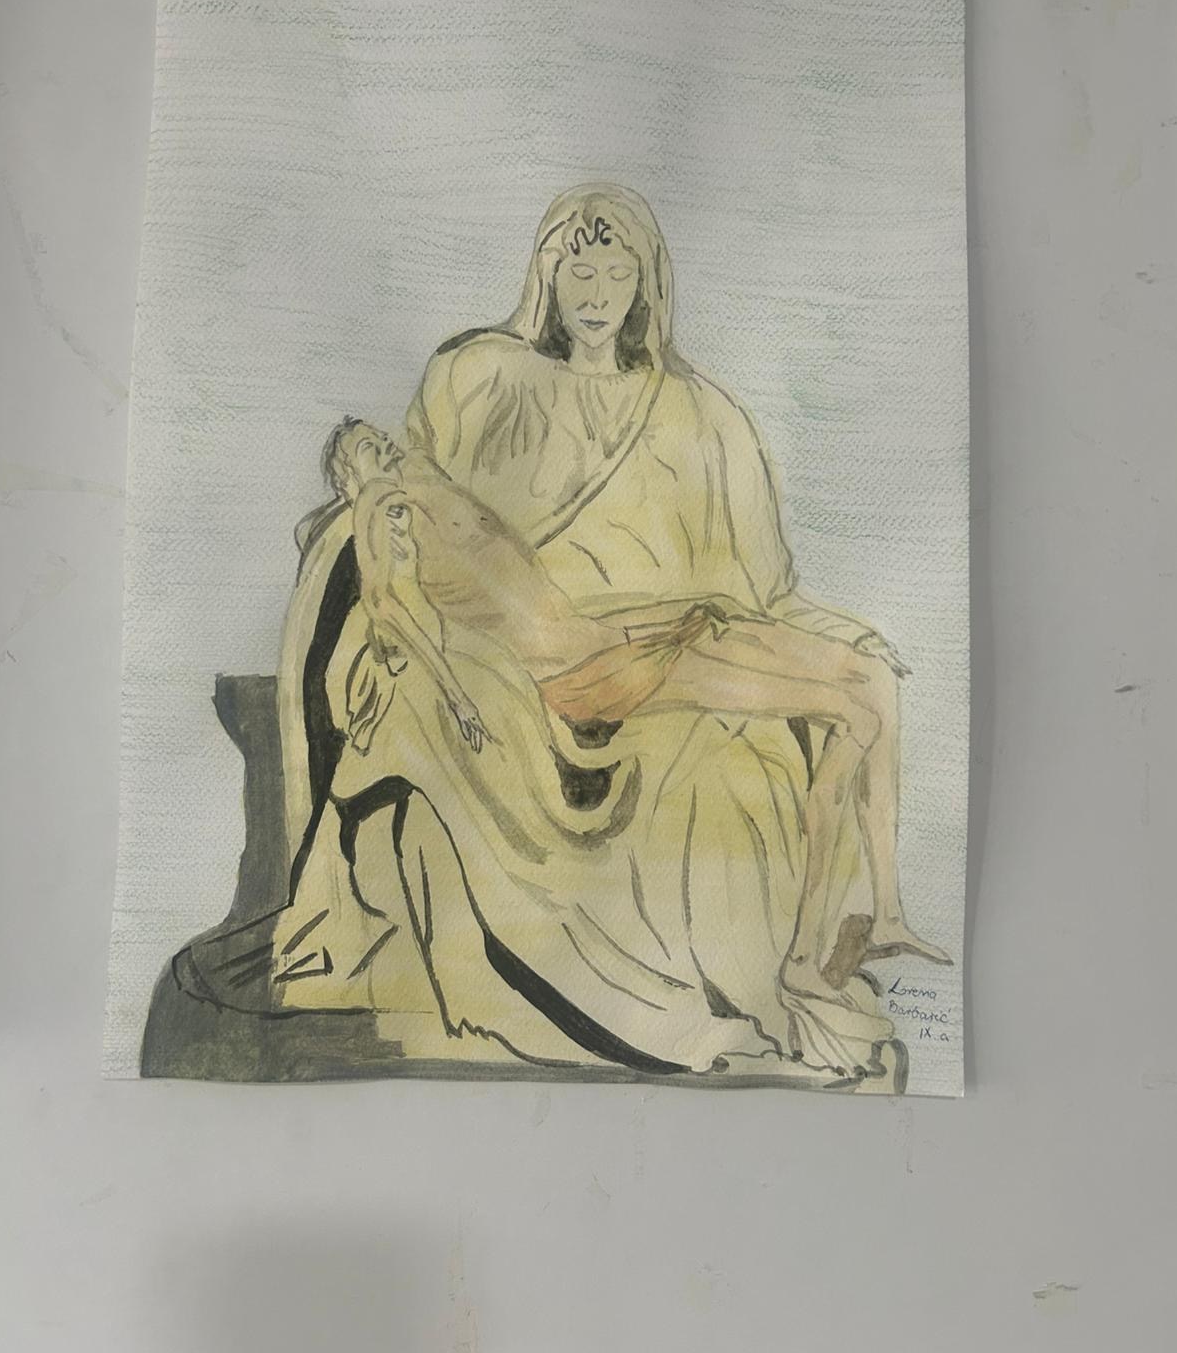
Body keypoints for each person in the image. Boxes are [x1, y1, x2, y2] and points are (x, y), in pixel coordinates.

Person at [177, 183, 947, 1083]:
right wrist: (458, 694)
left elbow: (765, 585)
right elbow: (392, 606)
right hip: (572, 674)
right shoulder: (466, 398)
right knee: (839, 705)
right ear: (546, 276)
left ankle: (866, 921)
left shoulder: (706, 418)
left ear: (646, 283)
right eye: (578, 269)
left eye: (615, 271)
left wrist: (749, 617)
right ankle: (803, 965)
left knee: (864, 682)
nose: (595, 291)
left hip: (619, 637)